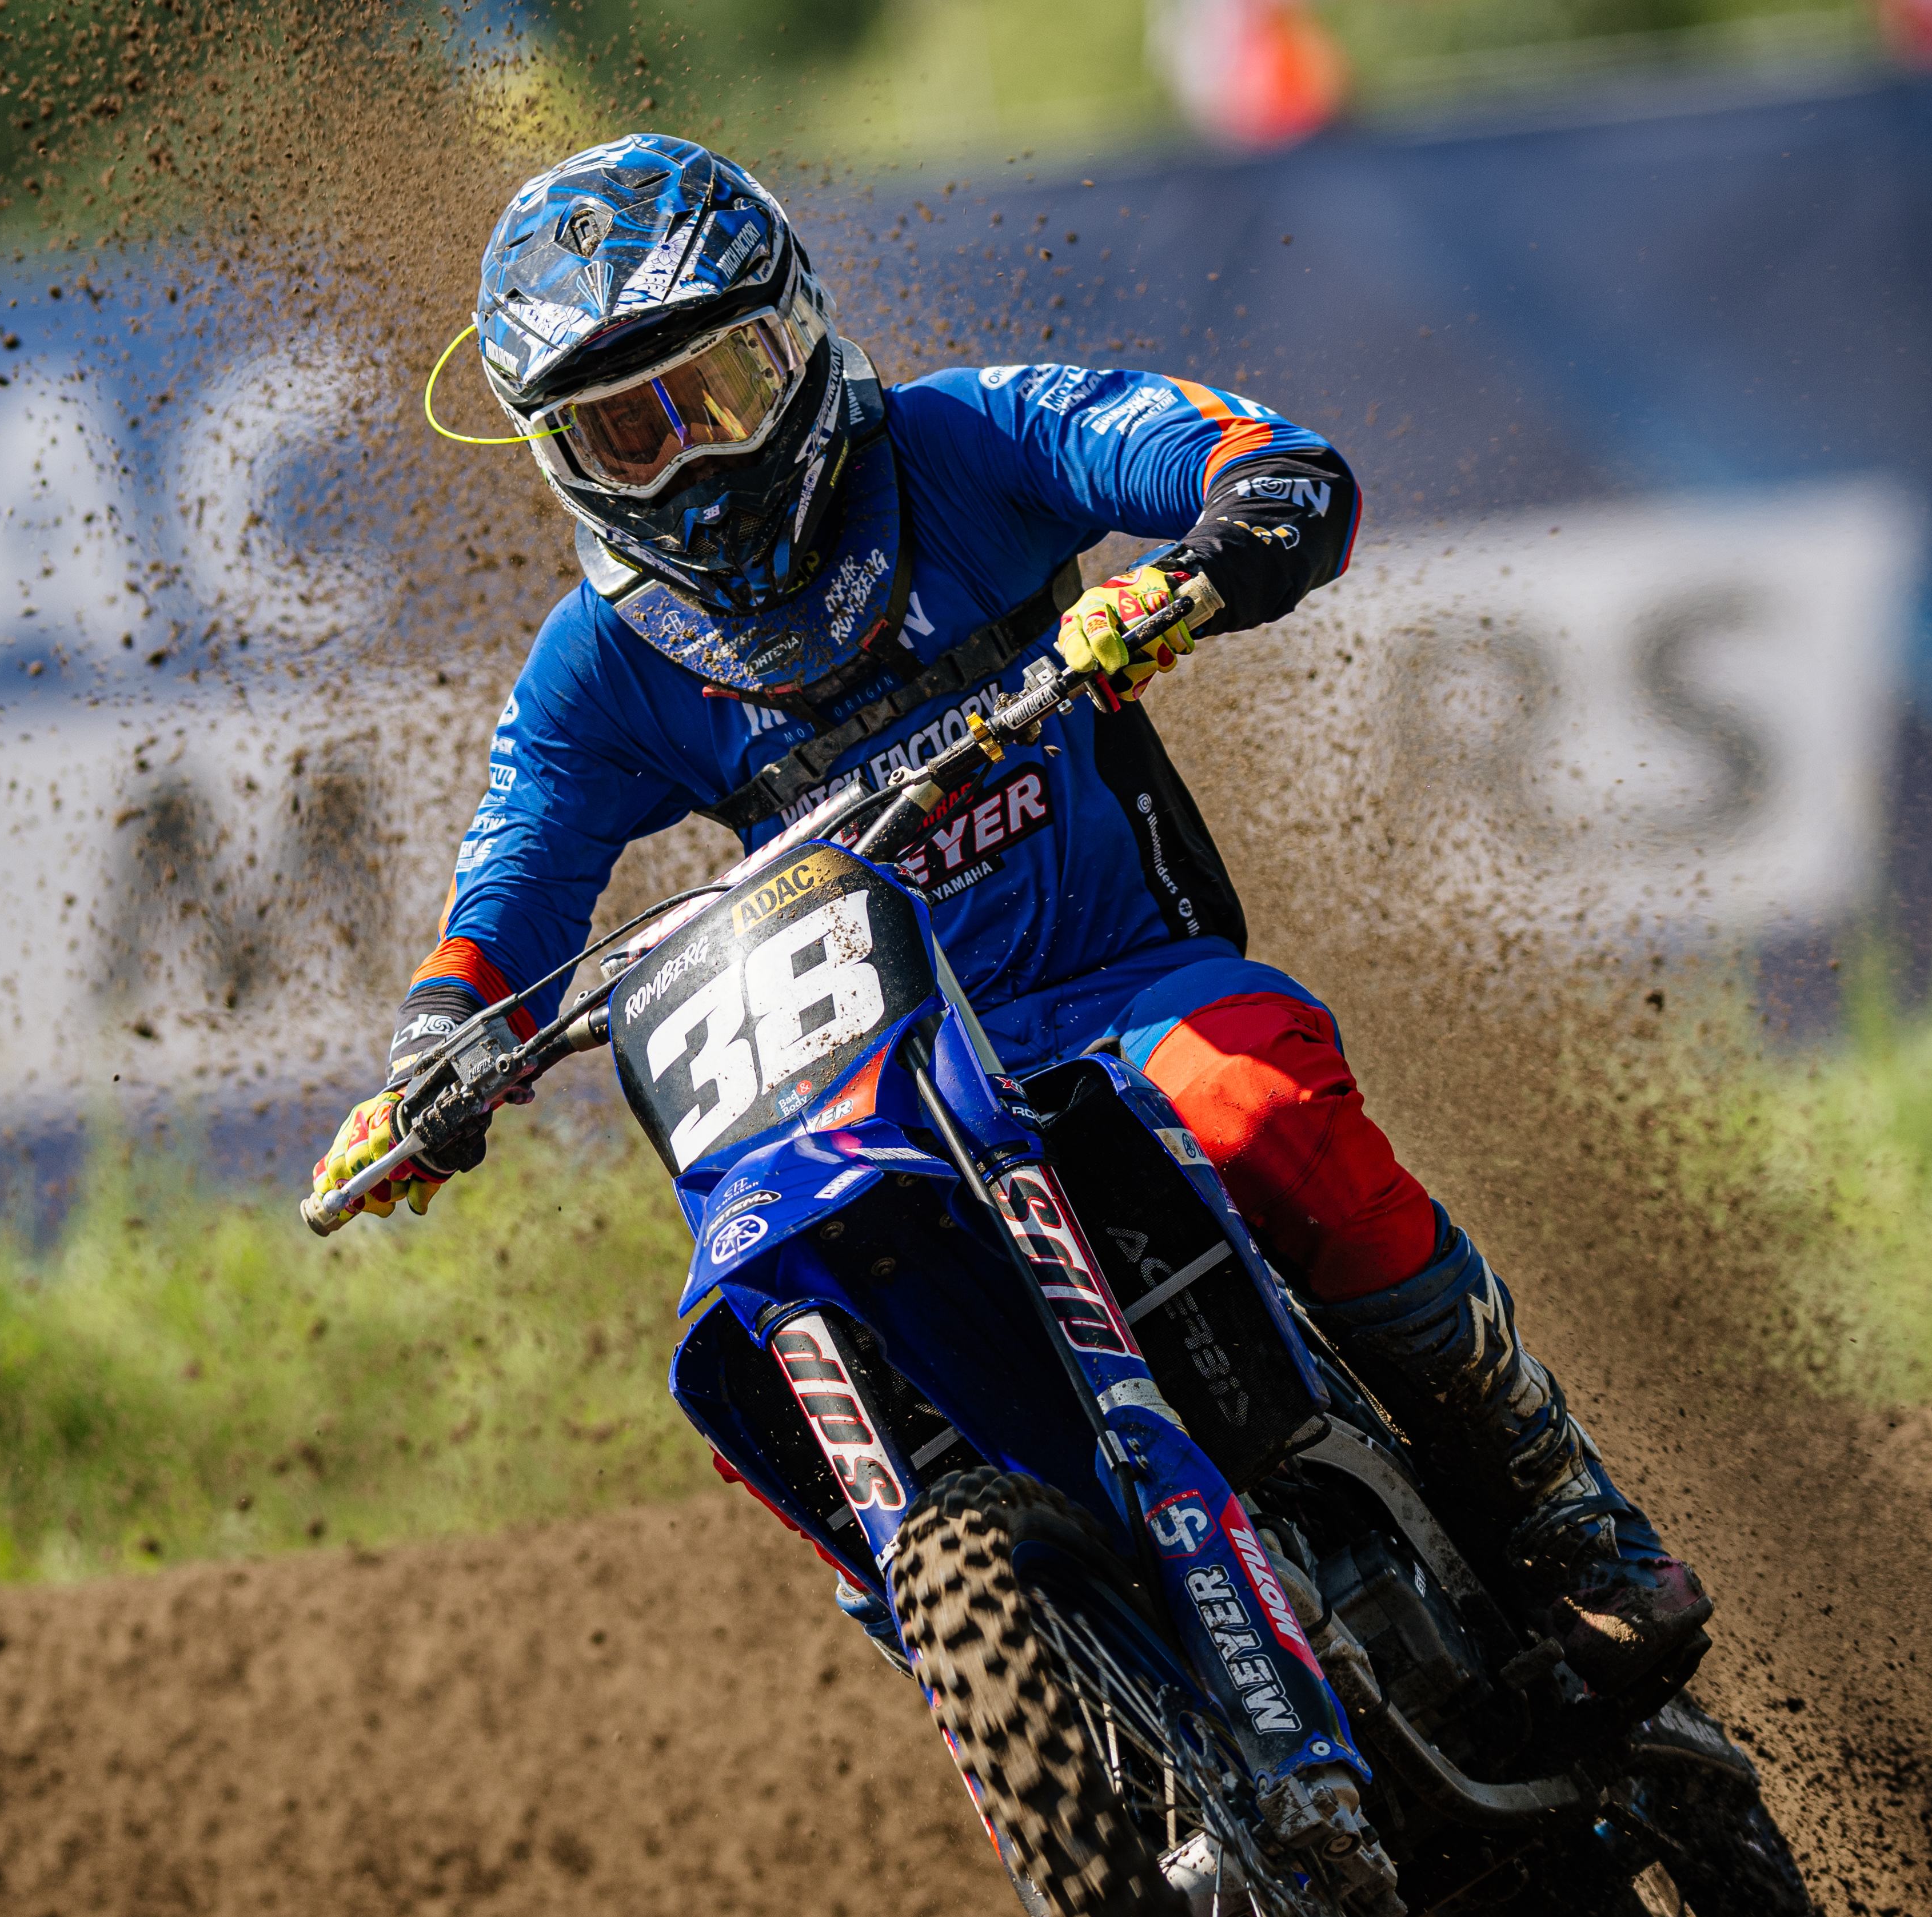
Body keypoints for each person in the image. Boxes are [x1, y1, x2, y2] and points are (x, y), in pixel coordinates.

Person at [318, 135, 1714, 1730]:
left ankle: (1559, 1506)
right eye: (628, 434)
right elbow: (509, 886)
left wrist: (1209, 553)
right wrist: (437, 1053)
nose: (692, 460)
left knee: (1259, 1116)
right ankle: (1048, 1705)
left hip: (1125, 989)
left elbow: (1251, 457)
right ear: (563, 458)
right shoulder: (599, 666)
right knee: (762, 1335)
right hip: (874, 1094)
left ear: (801, 334)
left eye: (720, 392)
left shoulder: (966, 439)